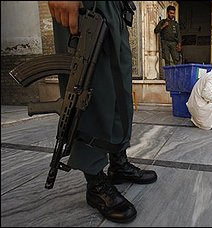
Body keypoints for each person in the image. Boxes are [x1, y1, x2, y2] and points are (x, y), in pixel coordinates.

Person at [48, 1, 157, 223]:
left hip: (116, 7)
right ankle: (95, 182)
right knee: (88, 91)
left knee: (119, 92)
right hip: (85, 5)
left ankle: (118, 163)